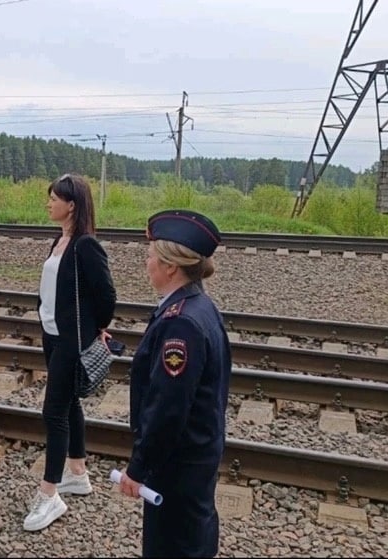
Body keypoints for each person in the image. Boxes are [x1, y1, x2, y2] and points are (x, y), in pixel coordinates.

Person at [117, 209, 231, 558]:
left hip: (176, 466)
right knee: (194, 538)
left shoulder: (180, 324)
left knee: (173, 546)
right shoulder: (200, 307)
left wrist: (139, 467)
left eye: (150, 255)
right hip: (196, 457)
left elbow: (167, 407)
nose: (146, 262)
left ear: (170, 266)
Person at [24, 173, 116, 532]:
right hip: (52, 334)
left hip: (69, 340)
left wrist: (95, 327)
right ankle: (77, 472)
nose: (48, 202)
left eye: (54, 198)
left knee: (54, 413)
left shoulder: (84, 245)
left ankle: (49, 495)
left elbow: (106, 295)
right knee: (70, 404)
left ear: (72, 204)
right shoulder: (59, 240)